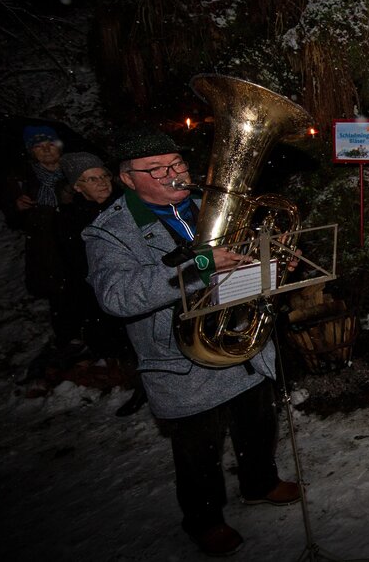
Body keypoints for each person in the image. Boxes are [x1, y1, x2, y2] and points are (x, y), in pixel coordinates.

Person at [82, 125, 300, 556]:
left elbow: (238, 260)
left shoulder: (209, 206)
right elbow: (116, 295)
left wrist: (269, 260)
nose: (173, 175)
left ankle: (260, 483)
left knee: (258, 422)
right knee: (198, 448)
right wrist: (198, 266)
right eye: (156, 169)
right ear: (127, 178)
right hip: (180, 357)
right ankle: (204, 519)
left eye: (177, 164)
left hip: (238, 340)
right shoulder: (110, 231)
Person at [57, 151, 146, 416]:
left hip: (138, 283)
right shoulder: (70, 219)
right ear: (76, 186)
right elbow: (74, 265)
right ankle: (140, 386)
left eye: (104, 175)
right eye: (91, 178)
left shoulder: (130, 204)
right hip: (101, 292)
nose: (102, 183)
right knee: (124, 345)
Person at [1, 125, 80, 382]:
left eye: (49, 143)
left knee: (85, 288)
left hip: (77, 240)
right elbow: (12, 216)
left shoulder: (75, 170)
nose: (45, 149)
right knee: (59, 294)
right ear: (31, 151)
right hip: (47, 246)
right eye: (38, 146)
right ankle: (69, 342)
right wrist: (17, 207)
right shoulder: (23, 178)